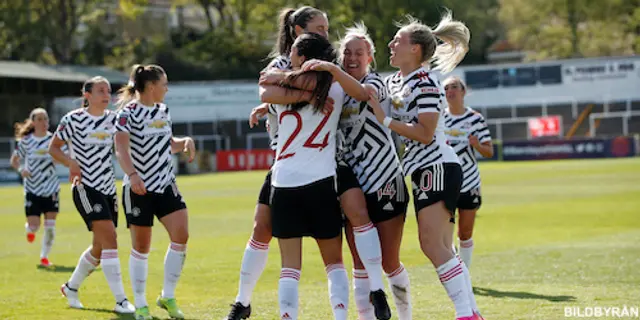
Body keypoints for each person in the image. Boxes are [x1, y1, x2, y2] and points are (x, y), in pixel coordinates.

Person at [366, 11, 484, 320]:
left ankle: (465, 314)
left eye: (398, 40)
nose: (391, 44)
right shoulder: (396, 80)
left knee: (433, 245)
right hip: (424, 171)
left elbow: (426, 133)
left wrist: (385, 119)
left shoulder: (427, 83)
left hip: (438, 167)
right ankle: (471, 312)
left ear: (415, 49)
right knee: (441, 246)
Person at [260, 32, 372, 320]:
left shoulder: (282, 86)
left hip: (283, 183)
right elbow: (359, 92)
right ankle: (340, 317)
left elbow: (264, 88)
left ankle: (288, 316)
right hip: (321, 182)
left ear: (304, 57)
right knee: (334, 263)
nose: (289, 58)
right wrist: (310, 95)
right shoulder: (333, 87)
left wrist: (295, 88)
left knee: (289, 267)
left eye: (295, 53)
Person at [336, 23, 412, 320]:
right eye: (347, 52)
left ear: (370, 57)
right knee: (358, 262)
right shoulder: (335, 92)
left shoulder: (376, 83)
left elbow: (363, 92)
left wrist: (332, 71)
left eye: (359, 52)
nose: (352, 58)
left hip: (385, 180)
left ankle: (406, 317)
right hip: (352, 186)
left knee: (389, 261)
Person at [114, 64, 196, 320]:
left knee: (181, 235)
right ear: (151, 87)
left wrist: (184, 143)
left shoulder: (163, 110)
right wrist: (133, 176)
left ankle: (167, 296)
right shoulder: (127, 114)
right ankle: (140, 304)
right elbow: (121, 150)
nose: (167, 88)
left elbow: (167, 143)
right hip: (139, 188)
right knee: (141, 247)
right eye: (164, 84)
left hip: (166, 184)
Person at [50, 76, 135, 314]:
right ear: (86, 94)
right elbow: (53, 148)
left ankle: (71, 287)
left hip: (109, 188)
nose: (106, 95)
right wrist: (71, 163)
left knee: (99, 247)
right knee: (110, 240)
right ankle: (120, 301)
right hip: (85, 188)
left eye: (108, 90)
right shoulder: (72, 119)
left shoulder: (114, 120)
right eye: (100, 90)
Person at [443, 76, 493, 269]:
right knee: (444, 234)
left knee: (464, 233)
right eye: (446, 88)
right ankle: (454, 271)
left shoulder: (475, 119)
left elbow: (489, 151)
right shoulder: (440, 118)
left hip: (470, 182)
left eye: (454, 87)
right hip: (446, 183)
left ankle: (465, 272)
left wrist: (477, 145)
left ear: (463, 92)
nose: (450, 91)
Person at [10, 108, 59, 267]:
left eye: (45, 119)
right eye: (39, 119)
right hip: (32, 189)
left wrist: (62, 159)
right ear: (33, 122)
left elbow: (63, 157)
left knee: (50, 227)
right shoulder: (26, 142)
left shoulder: (54, 140)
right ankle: (30, 231)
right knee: (34, 226)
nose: (44, 122)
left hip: (51, 188)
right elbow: (15, 160)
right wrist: (21, 170)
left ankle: (44, 257)